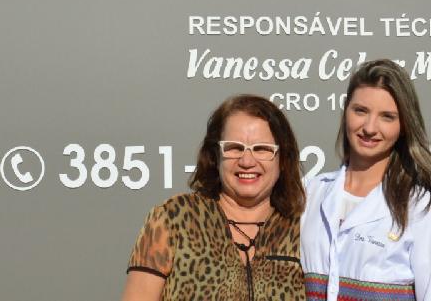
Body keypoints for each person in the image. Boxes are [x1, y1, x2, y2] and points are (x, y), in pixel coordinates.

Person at [121, 94, 306, 301]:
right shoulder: (173, 219)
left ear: (283, 159)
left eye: (262, 149)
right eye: (234, 148)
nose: (247, 161)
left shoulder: (305, 229)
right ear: (215, 156)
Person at [302, 59, 431, 300]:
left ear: (404, 126)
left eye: (387, 117)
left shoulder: (423, 209)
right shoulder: (310, 193)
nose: (370, 128)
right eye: (360, 111)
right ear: (346, 112)